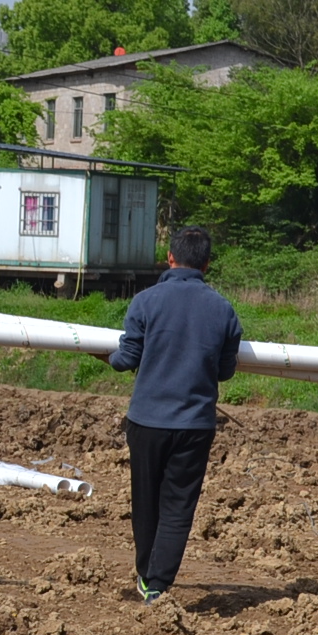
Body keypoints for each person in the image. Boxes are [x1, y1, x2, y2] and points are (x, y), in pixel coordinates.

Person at [108, 225, 243, 604]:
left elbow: (126, 358)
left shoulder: (145, 301)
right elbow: (225, 371)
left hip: (147, 421)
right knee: (178, 507)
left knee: (145, 501)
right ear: (207, 264)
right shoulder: (223, 309)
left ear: (169, 258)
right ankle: (157, 585)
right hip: (195, 425)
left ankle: (145, 573)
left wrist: (110, 357)